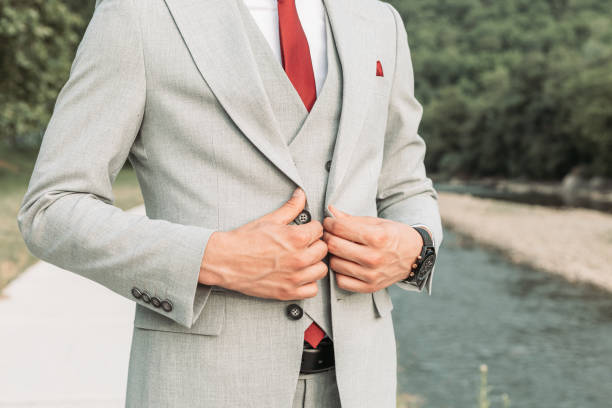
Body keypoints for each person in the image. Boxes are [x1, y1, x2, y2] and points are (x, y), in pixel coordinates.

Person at [17, 0, 443, 406]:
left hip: (361, 385)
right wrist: (210, 258)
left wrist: (416, 249)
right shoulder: (139, 13)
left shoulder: (379, 20)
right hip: (200, 386)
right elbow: (51, 208)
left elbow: (407, 187)